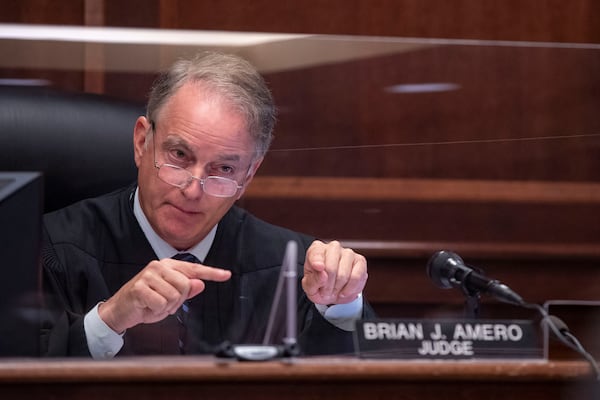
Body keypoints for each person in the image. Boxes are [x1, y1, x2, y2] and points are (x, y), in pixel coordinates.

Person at [41, 51, 373, 358]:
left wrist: (340, 304)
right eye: (179, 156)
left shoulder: (295, 268)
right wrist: (110, 319)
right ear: (142, 143)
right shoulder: (51, 249)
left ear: (248, 174)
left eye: (223, 169)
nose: (193, 189)